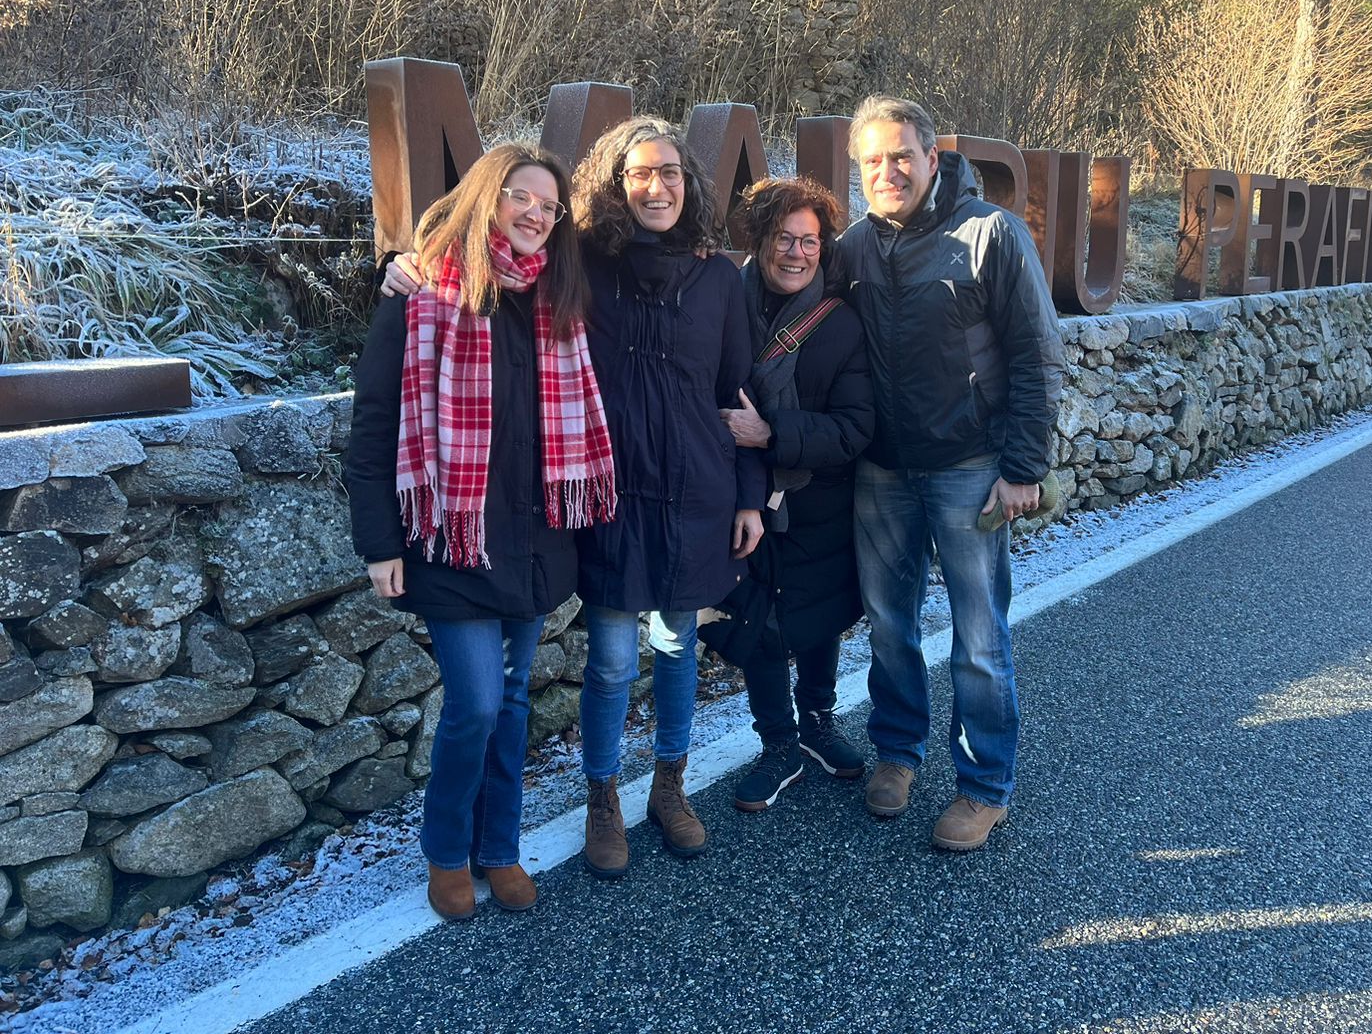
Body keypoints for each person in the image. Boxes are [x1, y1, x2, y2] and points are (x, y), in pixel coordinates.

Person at [386, 117, 765, 878]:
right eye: (639, 174)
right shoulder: (579, 263)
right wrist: (399, 264)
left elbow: (739, 394)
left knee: (678, 647)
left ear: (687, 184)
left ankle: (668, 787)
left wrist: (750, 495)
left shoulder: (719, 276)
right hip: (606, 491)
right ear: (614, 185)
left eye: (670, 174)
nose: (656, 187)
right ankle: (603, 800)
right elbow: (483, 267)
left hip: (695, 487)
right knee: (613, 662)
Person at [346, 143, 615, 921]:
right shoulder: (421, 293)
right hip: (452, 538)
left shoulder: (555, 302)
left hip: (533, 541)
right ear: (486, 198)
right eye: (520, 197)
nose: (536, 214)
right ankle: (445, 848)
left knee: (516, 699)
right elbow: (373, 429)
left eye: (550, 206)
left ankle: (499, 847)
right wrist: (380, 543)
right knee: (475, 704)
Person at [836, 95, 1066, 851]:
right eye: (872, 160)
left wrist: (1025, 464)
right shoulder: (854, 248)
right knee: (889, 627)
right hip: (882, 472)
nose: (887, 170)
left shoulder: (990, 233)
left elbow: (1036, 351)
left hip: (969, 468)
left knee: (977, 635)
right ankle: (898, 753)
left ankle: (984, 785)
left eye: (901, 155)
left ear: (933, 158)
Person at [705, 177, 874, 812]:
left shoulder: (841, 324)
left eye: (809, 240)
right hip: (734, 496)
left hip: (817, 500)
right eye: (783, 238)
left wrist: (771, 433)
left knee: (818, 616)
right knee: (758, 621)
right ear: (760, 239)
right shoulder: (721, 300)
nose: (796, 253)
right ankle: (777, 742)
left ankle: (820, 724)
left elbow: (857, 426)